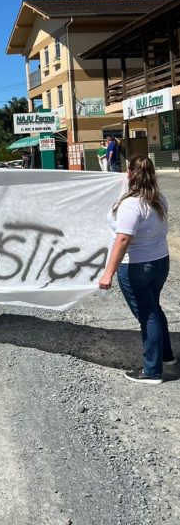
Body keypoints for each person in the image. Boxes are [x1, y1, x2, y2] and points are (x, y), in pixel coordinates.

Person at [98, 156, 175, 384]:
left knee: (147, 314)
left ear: (130, 173)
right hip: (159, 262)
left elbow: (122, 240)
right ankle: (166, 355)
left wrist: (107, 273)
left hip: (137, 266)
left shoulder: (131, 204)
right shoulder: (158, 198)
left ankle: (152, 371)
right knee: (153, 308)